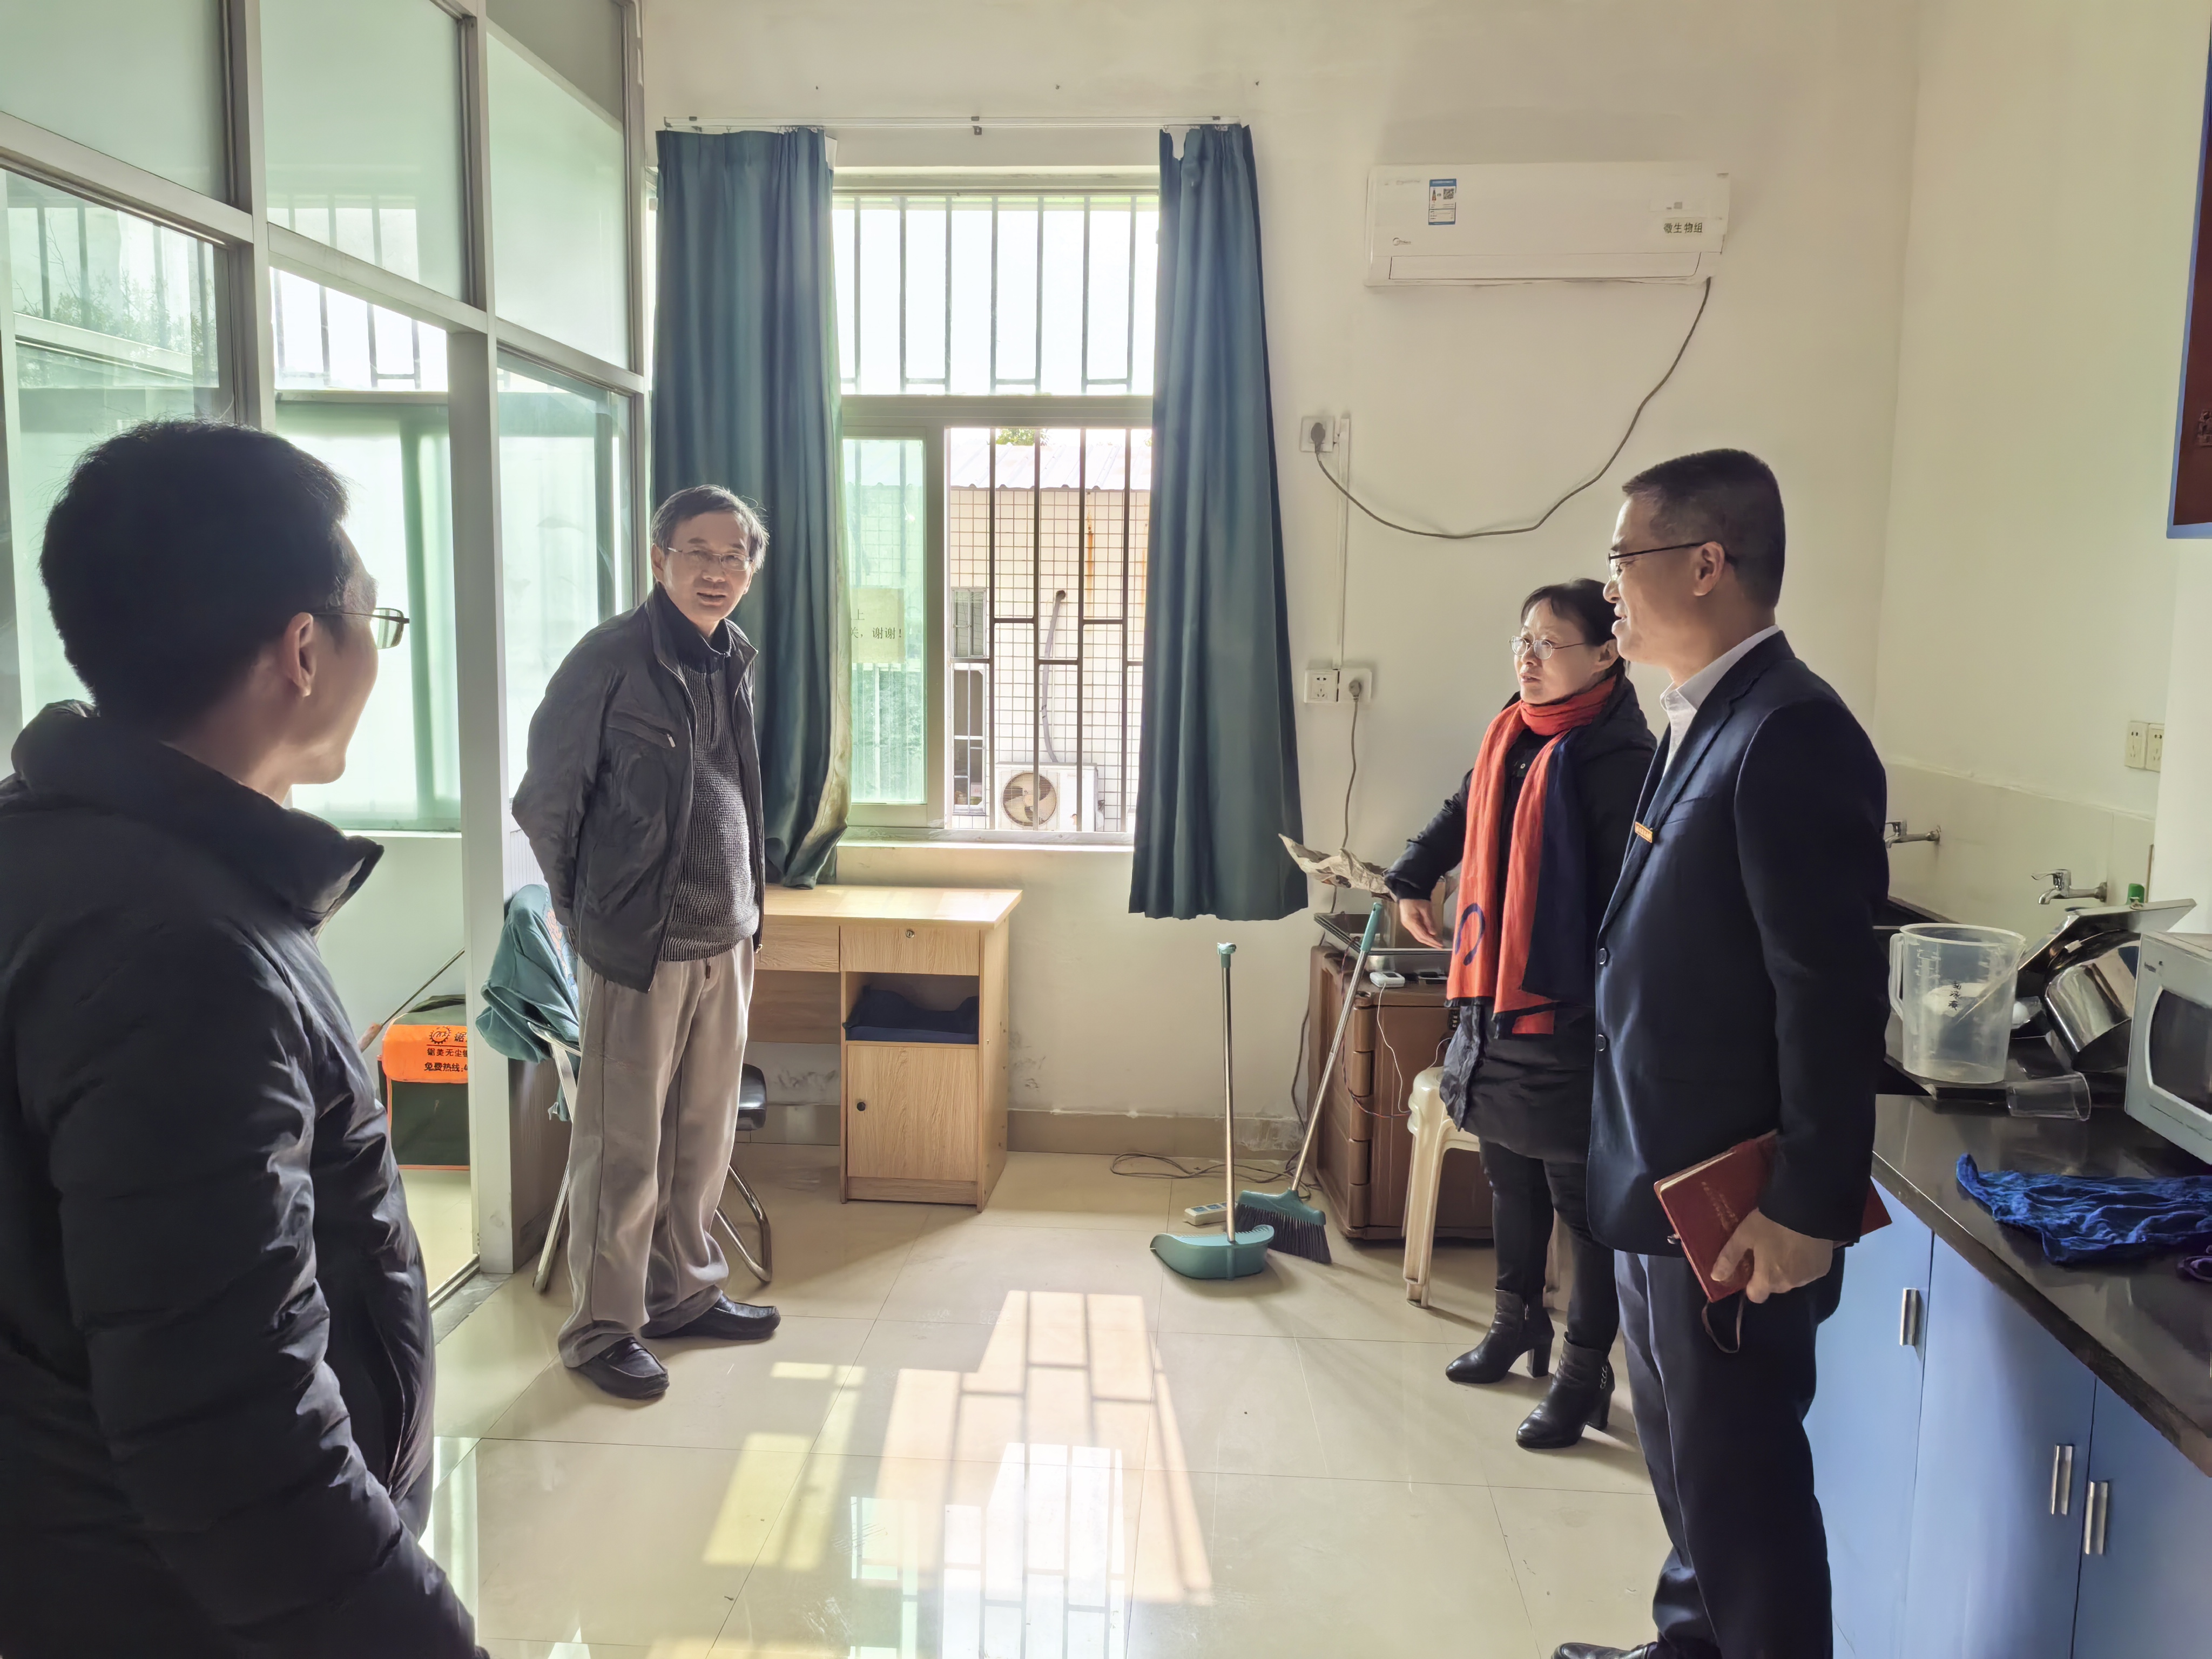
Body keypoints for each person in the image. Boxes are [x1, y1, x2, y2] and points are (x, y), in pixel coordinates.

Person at [0, 420, 482, 1657]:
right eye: (376, 621)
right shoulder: (185, 956)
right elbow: (241, 1443)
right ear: (304, 650)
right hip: (167, 1606)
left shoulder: (54, 854)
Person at [1554, 450, 1887, 1659]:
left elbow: (1830, 991)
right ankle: (1688, 1647)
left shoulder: (1792, 731)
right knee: (1686, 1465)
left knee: (1745, 1495)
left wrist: (1804, 1206)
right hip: (1665, 1180)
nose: (1608, 589)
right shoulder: (1703, 714)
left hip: (1738, 1208)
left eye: (1622, 560)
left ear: (1706, 563)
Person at [512, 483, 781, 1402]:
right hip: (639, 944)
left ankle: (683, 1293)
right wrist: (587, 913)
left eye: (735, 556)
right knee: (623, 1145)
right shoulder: (610, 660)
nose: (718, 571)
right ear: (658, 558)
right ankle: (601, 1329)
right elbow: (547, 801)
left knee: (702, 1135)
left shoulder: (731, 657)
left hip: (726, 936)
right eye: (699, 552)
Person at [1388, 579, 1655, 1449]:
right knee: (1509, 1174)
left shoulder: (1623, 758)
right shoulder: (1514, 730)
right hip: (1492, 994)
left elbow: (1630, 906)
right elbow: (1462, 811)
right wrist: (1411, 875)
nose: (1528, 659)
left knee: (1583, 1204)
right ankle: (1516, 1323)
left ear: (1606, 654)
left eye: (1549, 643)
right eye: (1522, 641)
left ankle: (1584, 1370)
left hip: (1569, 1010)